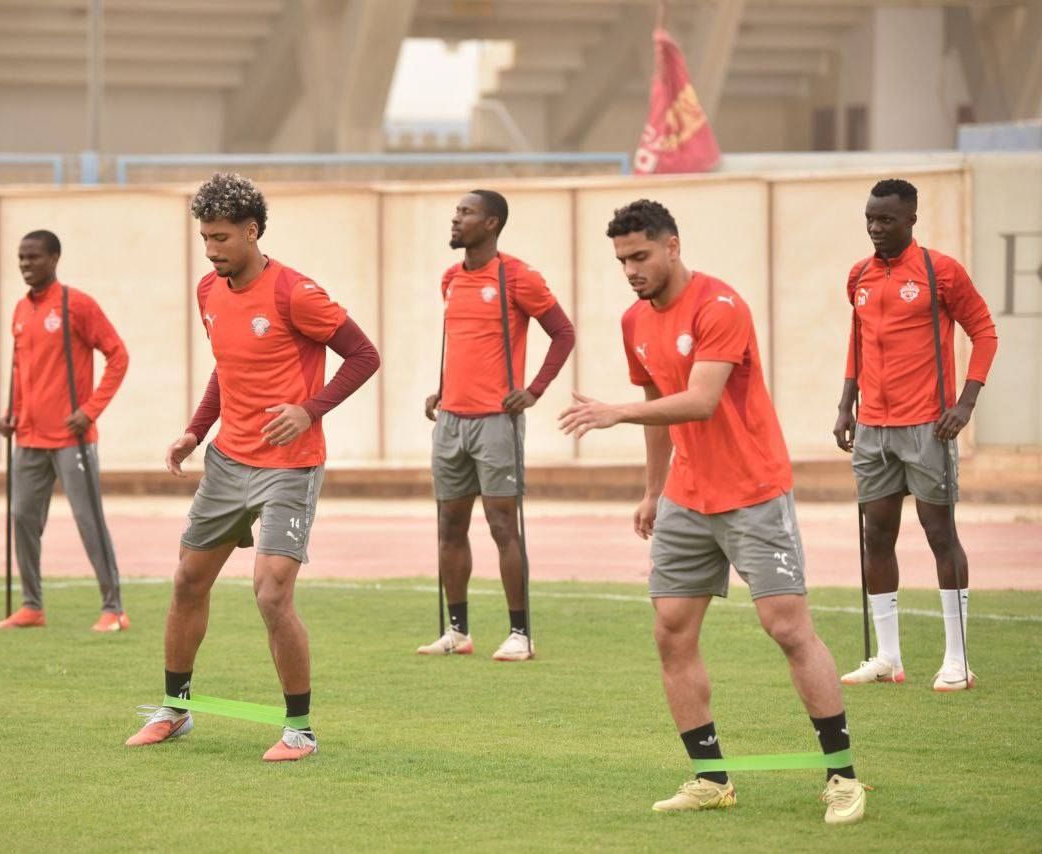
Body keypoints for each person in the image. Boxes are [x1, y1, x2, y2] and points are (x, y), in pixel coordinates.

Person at [559, 199, 867, 824]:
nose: (631, 270)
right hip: (686, 496)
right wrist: (653, 490)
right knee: (670, 631)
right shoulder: (633, 320)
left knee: (787, 629)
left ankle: (842, 776)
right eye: (621, 260)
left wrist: (616, 412)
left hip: (753, 491)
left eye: (640, 256)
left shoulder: (720, 306)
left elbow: (699, 400)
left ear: (672, 246)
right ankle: (710, 778)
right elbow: (658, 407)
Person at [125, 173, 380, 761]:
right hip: (226, 462)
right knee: (188, 581)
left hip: (290, 467)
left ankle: (300, 730)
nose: (211, 250)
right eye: (204, 238)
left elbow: (364, 355)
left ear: (252, 231)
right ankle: (175, 710)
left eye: (221, 238)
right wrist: (195, 431)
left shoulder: (296, 293)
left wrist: (309, 410)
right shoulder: (208, 291)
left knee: (270, 594)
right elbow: (228, 366)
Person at [833, 178, 998, 692]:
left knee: (940, 535)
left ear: (911, 220)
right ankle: (888, 658)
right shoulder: (859, 275)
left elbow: (984, 332)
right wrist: (845, 404)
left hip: (928, 426)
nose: (875, 228)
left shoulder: (939, 271)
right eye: (870, 218)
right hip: (872, 428)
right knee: (876, 537)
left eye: (886, 219)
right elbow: (859, 340)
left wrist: (965, 404)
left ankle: (957, 660)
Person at [417, 189, 575, 661]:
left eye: (466, 212)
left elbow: (563, 333)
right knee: (449, 526)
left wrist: (535, 390)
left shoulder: (517, 276)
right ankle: (457, 632)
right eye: (456, 212)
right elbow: (467, 344)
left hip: (496, 423)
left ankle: (520, 635)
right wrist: (442, 389)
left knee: (502, 524)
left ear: (491, 224)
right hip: (450, 421)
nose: (455, 219)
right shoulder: (450, 278)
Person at [0, 229, 130, 632]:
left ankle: (114, 609)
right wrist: (11, 413)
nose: (25, 264)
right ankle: (31, 607)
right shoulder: (21, 310)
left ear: (54, 259)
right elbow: (21, 370)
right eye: (21, 257)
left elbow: (118, 356)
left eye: (33, 257)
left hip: (73, 439)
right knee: (22, 517)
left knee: (88, 520)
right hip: (28, 437)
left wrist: (90, 410)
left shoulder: (77, 305)